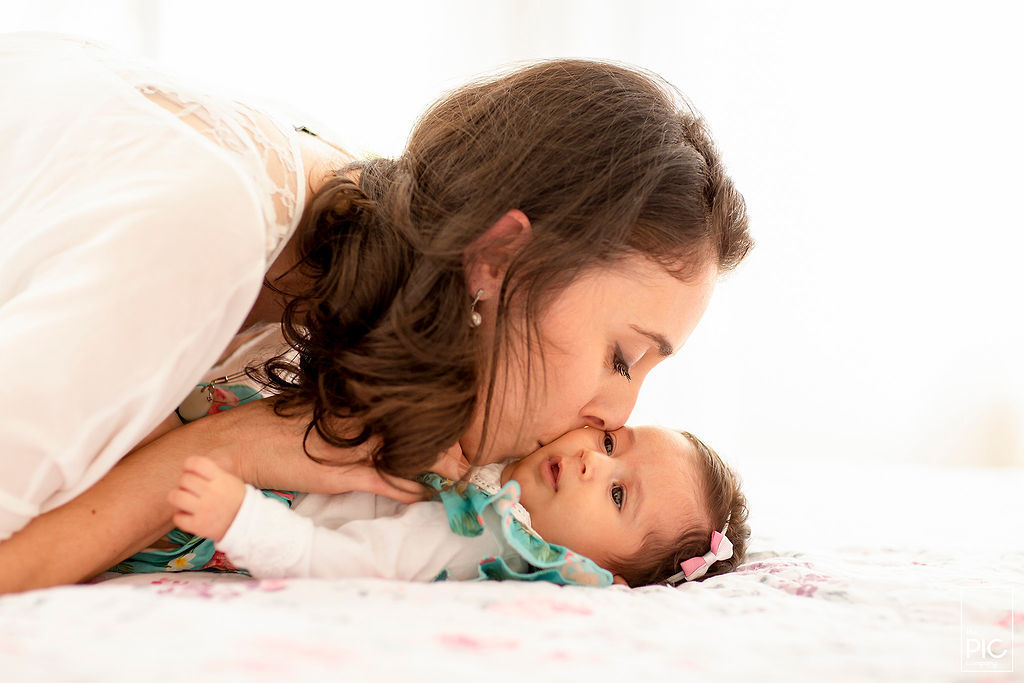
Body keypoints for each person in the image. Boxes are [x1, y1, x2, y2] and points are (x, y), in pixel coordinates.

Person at [0, 33, 752, 592]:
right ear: (498, 259)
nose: (613, 411)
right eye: (623, 356)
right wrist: (234, 450)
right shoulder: (208, 229)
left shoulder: (367, 256)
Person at [124, 416, 750, 588]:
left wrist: (240, 518)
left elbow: (344, 563)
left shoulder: (480, 539)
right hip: (272, 437)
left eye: (617, 493)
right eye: (611, 441)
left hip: (236, 510)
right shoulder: (510, 463)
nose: (594, 458)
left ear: (601, 571)